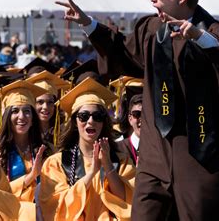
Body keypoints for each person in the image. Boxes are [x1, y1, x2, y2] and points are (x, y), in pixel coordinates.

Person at [56, 0, 219, 220]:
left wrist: (201, 40)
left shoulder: (216, 34)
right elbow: (123, 53)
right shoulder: (153, 31)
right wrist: (89, 24)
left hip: (201, 157)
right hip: (155, 154)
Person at [38, 77, 136, 220]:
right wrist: (92, 173)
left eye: (97, 116)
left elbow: (129, 201)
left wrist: (108, 166)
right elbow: (55, 208)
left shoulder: (121, 160)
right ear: (75, 122)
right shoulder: (56, 163)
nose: (90, 121)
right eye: (83, 116)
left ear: (104, 122)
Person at [0, 80, 48, 220]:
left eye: (27, 111)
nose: (21, 117)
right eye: (15, 111)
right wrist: (30, 177)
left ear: (33, 118)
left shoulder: (47, 150)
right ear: (6, 116)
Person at [26, 70, 71, 152]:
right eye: (40, 102)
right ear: (32, 103)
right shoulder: (27, 130)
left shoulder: (63, 130)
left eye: (50, 102)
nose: (45, 107)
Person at [117, 94, 143, 165]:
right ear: (130, 119)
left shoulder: (159, 148)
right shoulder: (117, 149)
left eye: (146, 114)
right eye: (137, 114)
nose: (142, 119)